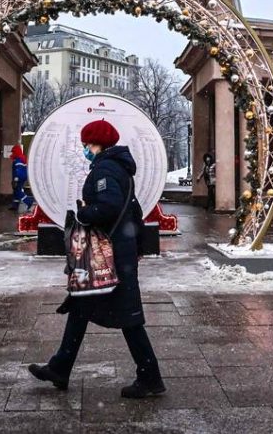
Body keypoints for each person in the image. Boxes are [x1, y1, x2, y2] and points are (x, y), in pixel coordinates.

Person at [28, 119, 165, 398]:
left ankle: (150, 377)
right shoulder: (118, 167)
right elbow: (131, 210)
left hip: (110, 255)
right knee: (82, 307)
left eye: (86, 144)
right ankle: (60, 367)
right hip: (118, 252)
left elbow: (109, 206)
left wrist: (83, 213)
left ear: (97, 143)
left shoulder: (106, 168)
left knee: (128, 317)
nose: (84, 150)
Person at [9, 144, 34, 212]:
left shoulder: (18, 159)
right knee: (16, 191)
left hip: (19, 177)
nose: (12, 153)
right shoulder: (22, 158)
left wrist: (16, 179)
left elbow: (18, 170)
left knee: (18, 191)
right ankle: (15, 205)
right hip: (22, 177)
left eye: (13, 152)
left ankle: (28, 201)